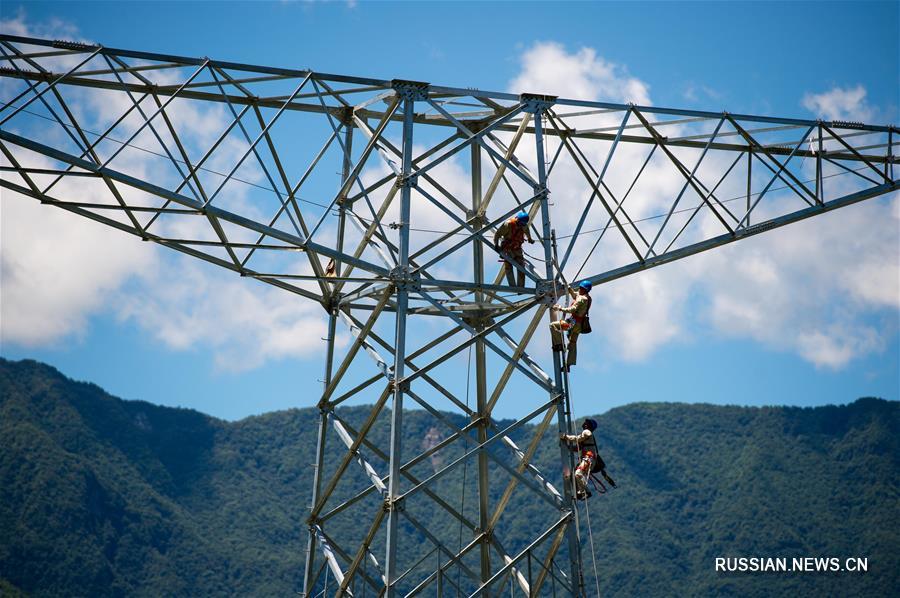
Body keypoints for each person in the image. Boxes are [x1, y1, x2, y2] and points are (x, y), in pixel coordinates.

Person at [550, 280, 592, 373]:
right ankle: (568, 365)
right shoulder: (587, 298)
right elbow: (575, 296)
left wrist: (560, 308)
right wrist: (569, 289)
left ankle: (559, 344)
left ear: (585, 290)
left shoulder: (582, 299)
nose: (580, 290)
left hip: (572, 323)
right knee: (573, 343)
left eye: (581, 289)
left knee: (553, 325)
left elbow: (572, 309)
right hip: (579, 325)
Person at [561, 418, 600, 500]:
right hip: (587, 459)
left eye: (587, 423)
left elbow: (578, 438)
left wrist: (566, 437)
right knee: (573, 476)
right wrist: (567, 447)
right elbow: (578, 448)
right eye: (585, 423)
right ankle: (578, 492)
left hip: (589, 459)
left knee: (578, 474)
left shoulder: (587, 432)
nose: (585, 424)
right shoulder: (587, 437)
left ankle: (587, 492)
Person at [493, 210, 534, 287]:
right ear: (517, 219)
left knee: (521, 266)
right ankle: (512, 286)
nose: (521, 225)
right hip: (507, 248)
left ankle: (520, 287)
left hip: (517, 248)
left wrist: (530, 239)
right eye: (520, 223)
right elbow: (497, 234)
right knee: (508, 266)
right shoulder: (508, 224)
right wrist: (496, 244)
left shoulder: (523, 225)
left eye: (523, 224)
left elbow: (526, 231)